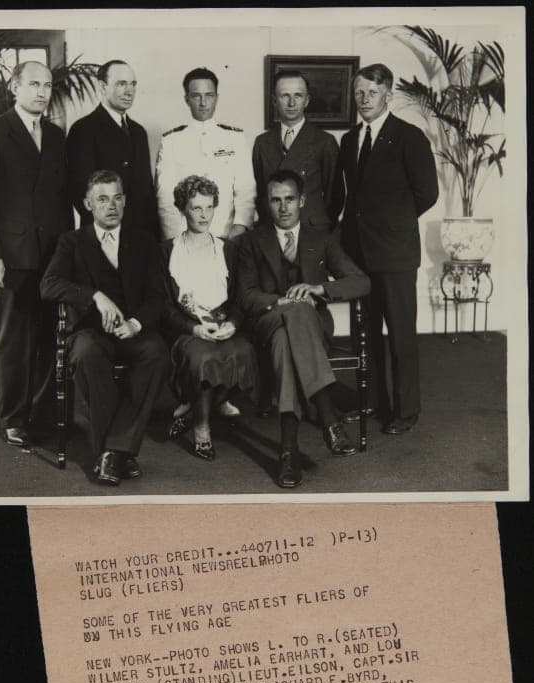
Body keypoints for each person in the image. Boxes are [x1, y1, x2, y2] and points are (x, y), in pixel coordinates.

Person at [0, 60, 73, 447]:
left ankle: (40, 414)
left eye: (47, 85)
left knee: (48, 336)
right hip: (10, 256)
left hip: (52, 256)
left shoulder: (57, 136)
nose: (43, 91)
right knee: (14, 339)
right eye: (34, 84)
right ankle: (14, 418)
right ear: (15, 88)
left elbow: (63, 197)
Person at [237, 170, 370, 489]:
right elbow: (245, 295)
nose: (283, 207)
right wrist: (282, 300)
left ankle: (288, 451)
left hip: (311, 329)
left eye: (290, 199)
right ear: (266, 203)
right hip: (268, 323)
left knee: (287, 341)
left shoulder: (321, 239)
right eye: (275, 200)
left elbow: (361, 281)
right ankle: (328, 417)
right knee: (290, 317)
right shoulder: (252, 241)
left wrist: (320, 289)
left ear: (302, 201)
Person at [40, 170, 169, 486]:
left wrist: (136, 323)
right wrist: (94, 296)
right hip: (91, 333)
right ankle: (120, 451)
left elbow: (159, 296)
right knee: (84, 353)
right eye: (102, 199)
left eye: (117, 197)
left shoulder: (143, 240)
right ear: (87, 204)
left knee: (157, 354)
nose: (111, 205)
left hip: (133, 332)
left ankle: (111, 453)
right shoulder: (72, 242)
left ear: (124, 200)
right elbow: (48, 285)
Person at [340, 63, 438, 434]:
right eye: (359, 93)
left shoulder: (409, 137)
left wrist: (392, 223)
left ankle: (406, 411)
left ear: (388, 94)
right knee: (364, 335)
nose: (365, 100)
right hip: (358, 255)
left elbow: (427, 193)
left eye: (372, 93)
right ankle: (373, 402)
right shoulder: (350, 140)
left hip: (395, 254)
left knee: (400, 335)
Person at [161, 176, 258, 460]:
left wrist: (233, 323)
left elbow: (241, 297)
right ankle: (202, 428)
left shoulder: (227, 249)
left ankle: (193, 409)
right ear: (182, 209)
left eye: (208, 207)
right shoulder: (167, 251)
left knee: (243, 350)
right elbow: (164, 307)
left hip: (223, 325)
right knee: (204, 358)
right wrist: (194, 328)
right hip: (188, 329)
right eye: (195, 208)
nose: (204, 215)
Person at [155, 66, 256, 242]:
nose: (203, 103)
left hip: (228, 235)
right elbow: (165, 198)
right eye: (196, 96)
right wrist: (177, 240)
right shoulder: (171, 141)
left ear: (216, 98)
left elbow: (246, 191)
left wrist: (239, 229)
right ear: (187, 99)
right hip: (185, 237)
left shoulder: (235, 139)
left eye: (209, 95)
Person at [66, 60, 158, 236]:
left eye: (133, 84)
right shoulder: (83, 130)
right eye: (121, 84)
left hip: (141, 237)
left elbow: (147, 192)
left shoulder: (138, 132)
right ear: (102, 87)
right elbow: (81, 192)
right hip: (103, 237)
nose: (129, 91)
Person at [252, 70, 344, 231]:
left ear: (307, 100)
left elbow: (335, 196)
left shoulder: (324, 141)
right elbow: (260, 193)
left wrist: (319, 224)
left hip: (312, 231)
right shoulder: (262, 142)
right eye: (285, 96)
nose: (292, 103)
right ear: (274, 100)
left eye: (298, 96)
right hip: (271, 231)